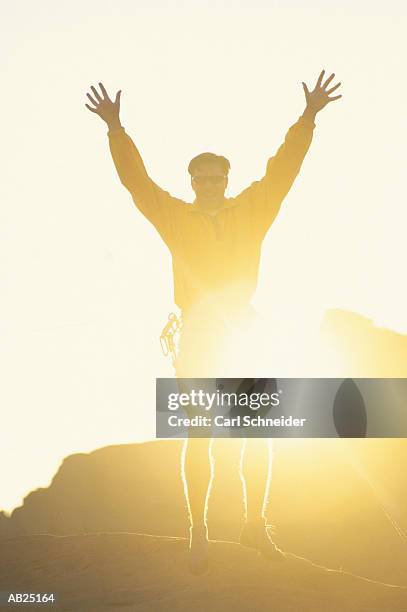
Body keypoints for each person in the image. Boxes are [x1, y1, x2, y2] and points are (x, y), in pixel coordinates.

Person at [85, 71, 341, 573]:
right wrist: (116, 130)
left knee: (257, 432)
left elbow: (282, 170)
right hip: (199, 334)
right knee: (200, 435)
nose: (208, 184)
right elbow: (136, 182)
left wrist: (308, 117)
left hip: (244, 330)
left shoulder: (253, 209)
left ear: (226, 178)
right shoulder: (174, 217)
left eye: (215, 177)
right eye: (200, 178)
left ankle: (253, 525)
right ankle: (197, 530)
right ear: (192, 182)